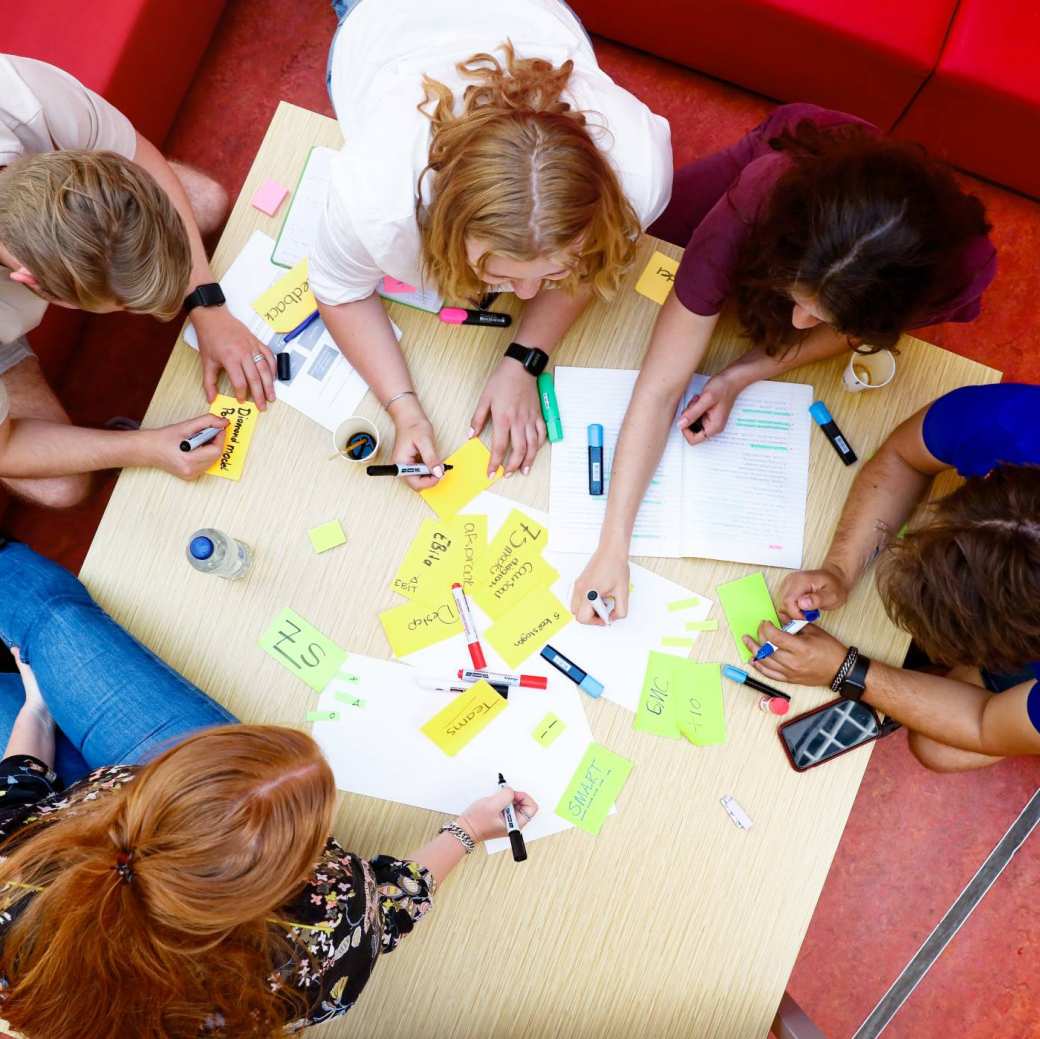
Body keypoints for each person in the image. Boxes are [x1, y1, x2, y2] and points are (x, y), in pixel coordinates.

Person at [0, 538, 537, 1037]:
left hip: (54, 828)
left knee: (51, 628)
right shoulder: (311, 950)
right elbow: (387, 913)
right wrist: (467, 830)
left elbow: (14, 797)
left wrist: (38, 712)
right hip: (75, 832)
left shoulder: (14, 886)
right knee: (52, 635)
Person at [571, 102, 995, 624]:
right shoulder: (761, 194)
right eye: (797, 297)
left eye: (821, 314)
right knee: (648, 235)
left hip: (868, 237)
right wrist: (612, 547)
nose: (797, 323)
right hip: (787, 165)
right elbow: (660, 388)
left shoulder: (956, 269)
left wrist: (743, 372)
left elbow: (865, 329)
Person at [314, 0, 671, 489]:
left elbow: (595, 264)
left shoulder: (639, 176)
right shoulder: (376, 200)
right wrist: (404, 408)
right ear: (445, 226)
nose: (526, 298)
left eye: (551, 276)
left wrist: (526, 357)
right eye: (499, 276)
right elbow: (340, 291)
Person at [0, 54, 277, 507]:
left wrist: (206, 300)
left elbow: (139, 156)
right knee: (62, 489)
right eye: (127, 307)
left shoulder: (23, 96)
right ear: (37, 287)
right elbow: (5, 448)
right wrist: (146, 447)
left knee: (202, 202)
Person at [744, 384, 1040, 772]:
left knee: (938, 748)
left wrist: (845, 670)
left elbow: (984, 725)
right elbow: (904, 457)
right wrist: (841, 568)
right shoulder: (1014, 423)